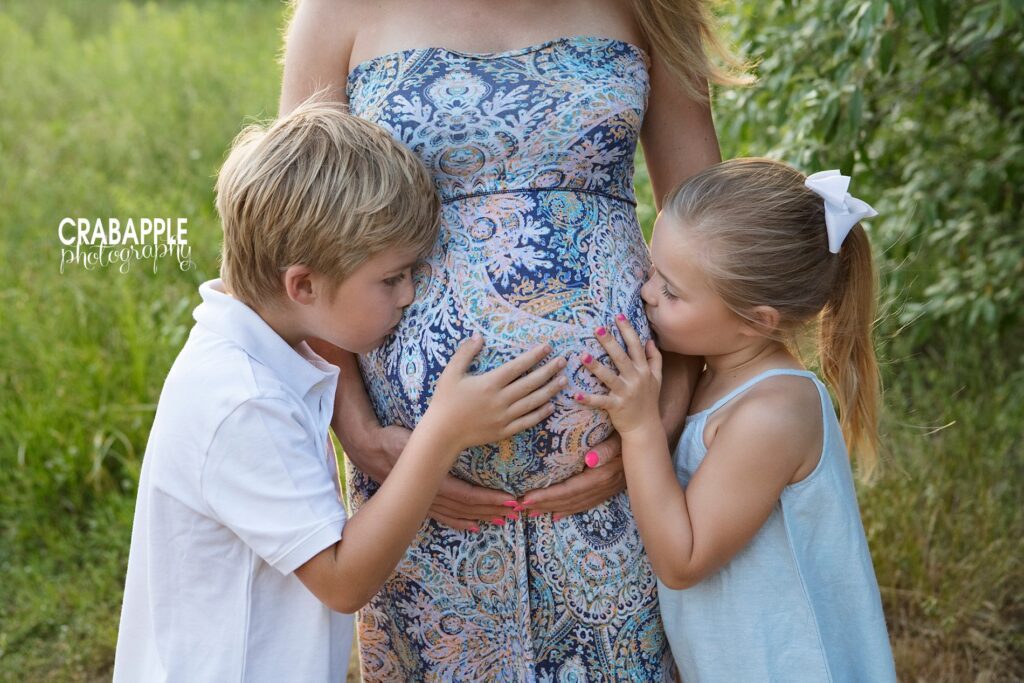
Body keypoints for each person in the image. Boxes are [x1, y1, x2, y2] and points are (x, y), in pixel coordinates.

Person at [279, 1, 748, 678]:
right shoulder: (338, 14)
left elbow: (708, 226)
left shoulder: (649, 6)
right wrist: (361, 434)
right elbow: (301, 237)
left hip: (617, 480)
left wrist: (658, 427)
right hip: (421, 485)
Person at [112, 101, 567, 682]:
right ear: (303, 285)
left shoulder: (264, 356)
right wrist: (443, 433)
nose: (406, 296)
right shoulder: (244, 399)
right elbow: (342, 580)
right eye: (391, 278)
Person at [577, 158, 898, 682]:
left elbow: (684, 561)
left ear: (756, 321)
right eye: (653, 271)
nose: (647, 293)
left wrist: (639, 431)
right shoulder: (717, 375)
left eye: (673, 291)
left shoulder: (773, 413)